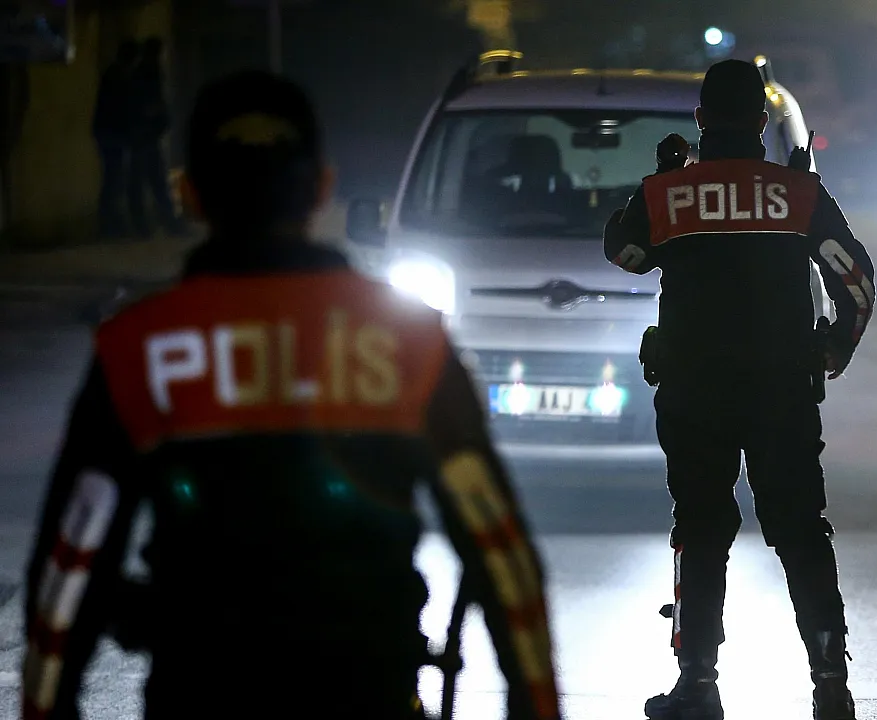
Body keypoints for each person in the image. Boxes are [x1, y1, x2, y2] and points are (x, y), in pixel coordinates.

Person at [22, 71, 562, 720]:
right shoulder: (407, 344)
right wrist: (536, 707)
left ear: (189, 194)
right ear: (322, 188)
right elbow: (501, 554)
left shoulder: (139, 347)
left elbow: (69, 572)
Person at [602, 59, 876, 720]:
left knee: (700, 530)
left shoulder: (671, 193)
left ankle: (697, 683)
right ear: (761, 121)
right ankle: (830, 686)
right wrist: (836, 342)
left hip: (694, 394)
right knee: (800, 530)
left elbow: (624, 253)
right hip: (782, 393)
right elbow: (856, 282)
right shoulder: (797, 192)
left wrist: (663, 180)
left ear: (700, 119)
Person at [126, 37, 186, 237]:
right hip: (145, 135)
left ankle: (150, 225)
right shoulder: (148, 73)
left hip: (144, 135)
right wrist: (158, 120)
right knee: (151, 181)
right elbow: (150, 105)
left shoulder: (144, 72)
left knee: (149, 181)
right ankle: (161, 224)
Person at [92, 40, 139, 239]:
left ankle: (110, 225)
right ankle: (111, 226)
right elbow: (121, 109)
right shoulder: (119, 76)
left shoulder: (115, 74)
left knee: (113, 179)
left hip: (109, 133)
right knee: (114, 180)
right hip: (113, 134)